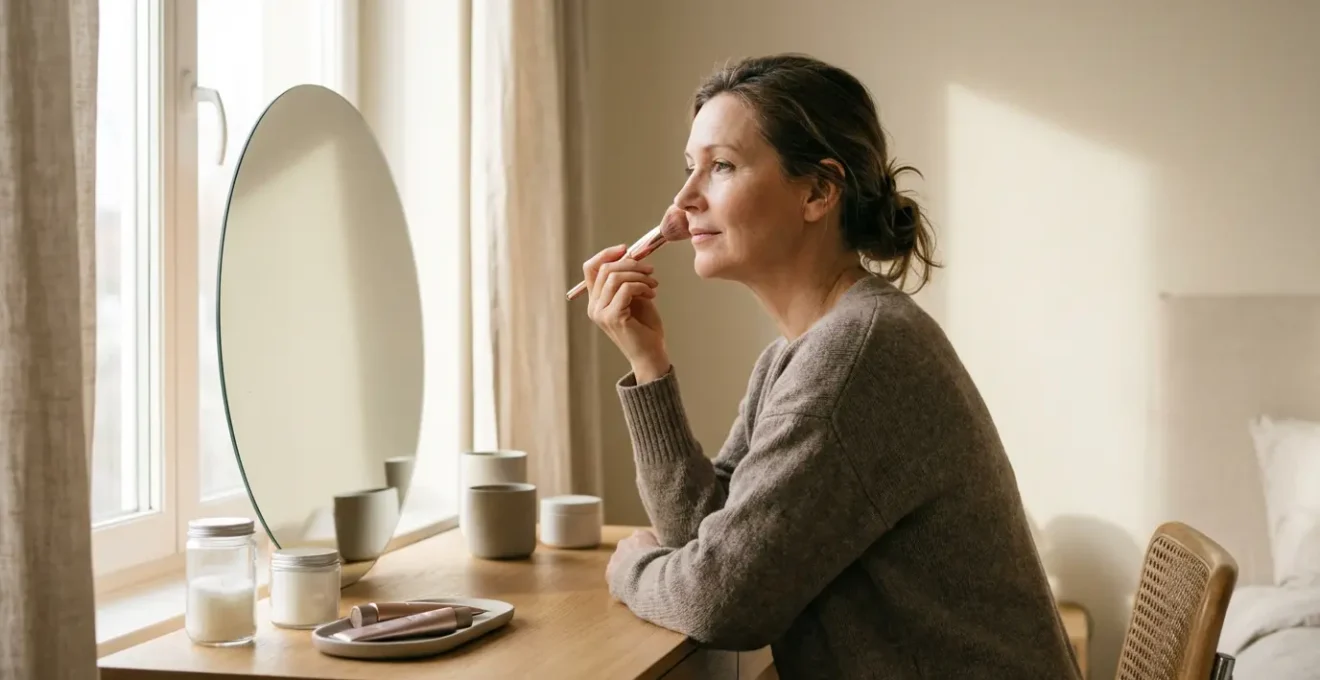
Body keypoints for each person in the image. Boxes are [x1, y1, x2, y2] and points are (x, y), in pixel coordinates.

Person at [583, 54, 1081, 679]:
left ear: (819, 191)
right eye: (690, 168)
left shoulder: (856, 356)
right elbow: (709, 538)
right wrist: (648, 363)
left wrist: (632, 568)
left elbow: (722, 600)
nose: (684, 200)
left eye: (722, 166)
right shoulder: (801, 354)